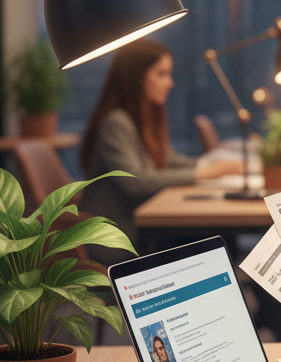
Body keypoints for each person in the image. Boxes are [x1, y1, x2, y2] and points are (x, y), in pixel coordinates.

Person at [80, 39, 240, 264]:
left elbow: (167, 159)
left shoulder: (139, 118)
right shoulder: (115, 123)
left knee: (219, 238)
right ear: (136, 77)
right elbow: (136, 182)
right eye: (161, 74)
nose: (170, 83)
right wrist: (204, 173)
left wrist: (211, 166)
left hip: (140, 223)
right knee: (215, 240)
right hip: (118, 233)